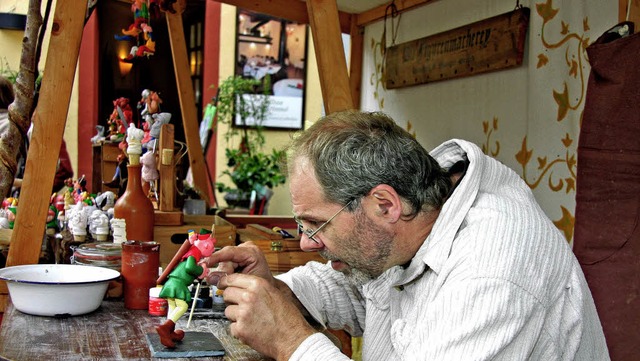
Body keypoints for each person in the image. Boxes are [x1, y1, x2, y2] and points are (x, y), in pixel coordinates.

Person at [204, 110, 609, 360]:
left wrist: (292, 342)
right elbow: (371, 295)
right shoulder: (416, 220)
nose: (307, 243)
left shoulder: (491, 275)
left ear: (384, 205)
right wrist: (273, 290)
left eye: (316, 225)